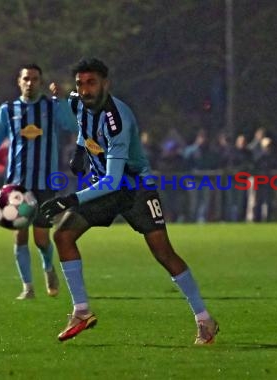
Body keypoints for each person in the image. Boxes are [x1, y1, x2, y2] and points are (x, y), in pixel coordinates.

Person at [41, 58, 218, 344]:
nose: (85, 90)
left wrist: (69, 200)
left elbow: (114, 179)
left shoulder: (117, 119)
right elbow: (81, 126)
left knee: (164, 253)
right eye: (80, 84)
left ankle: (204, 319)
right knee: (63, 236)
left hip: (135, 189)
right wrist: (79, 150)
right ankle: (81, 311)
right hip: (106, 190)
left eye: (91, 83)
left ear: (105, 84)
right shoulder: (78, 104)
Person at [0, 63, 79, 300]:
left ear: (40, 82)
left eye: (35, 79)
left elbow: (71, 125)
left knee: (41, 239)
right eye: (26, 79)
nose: (30, 83)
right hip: (16, 184)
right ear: (19, 81)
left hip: (44, 182)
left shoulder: (50, 106)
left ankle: (48, 268)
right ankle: (27, 287)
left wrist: (60, 101)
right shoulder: (7, 109)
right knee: (19, 235)